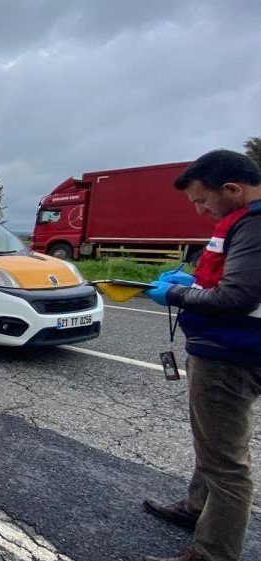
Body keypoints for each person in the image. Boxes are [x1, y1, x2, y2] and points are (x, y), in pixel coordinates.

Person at [142, 149, 261, 561]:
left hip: (231, 355)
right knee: (211, 442)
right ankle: (197, 509)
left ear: (232, 189)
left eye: (202, 200)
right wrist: (191, 280)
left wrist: (174, 293)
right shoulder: (243, 222)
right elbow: (230, 277)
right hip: (227, 349)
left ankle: (213, 553)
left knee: (226, 464)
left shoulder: (254, 225)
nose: (199, 210)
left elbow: (237, 297)